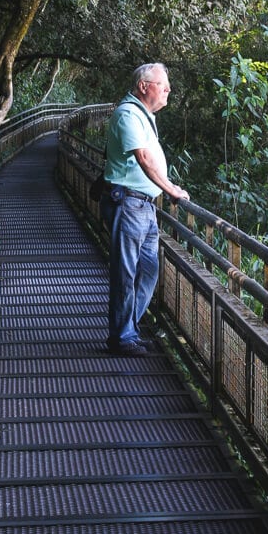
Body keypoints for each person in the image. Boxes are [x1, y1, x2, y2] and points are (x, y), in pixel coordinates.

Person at [100, 63, 189, 356]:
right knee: (126, 273)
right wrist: (172, 189)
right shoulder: (128, 114)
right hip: (128, 203)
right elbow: (143, 159)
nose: (168, 89)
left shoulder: (143, 116)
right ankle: (122, 337)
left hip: (144, 206)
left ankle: (129, 329)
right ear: (143, 86)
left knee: (148, 271)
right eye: (162, 84)